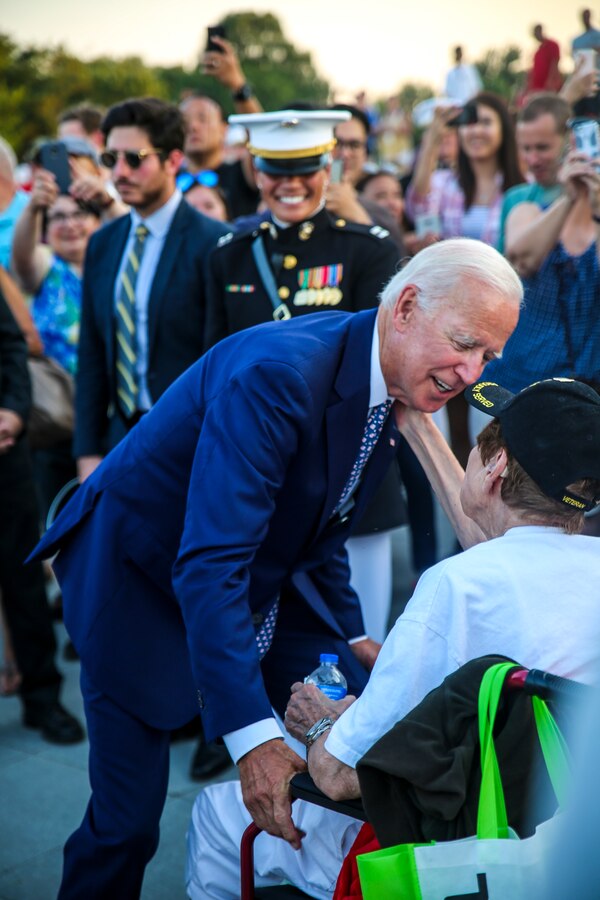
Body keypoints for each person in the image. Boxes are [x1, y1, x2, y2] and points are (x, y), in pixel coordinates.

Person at [31, 238, 522, 899]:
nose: (472, 371)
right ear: (406, 306)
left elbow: (320, 534)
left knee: (356, 706)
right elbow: (209, 564)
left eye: (489, 356)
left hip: (247, 575)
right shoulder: (282, 374)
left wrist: (353, 639)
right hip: (136, 580)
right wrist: (254, 738)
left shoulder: (388, 374)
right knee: (127, 820)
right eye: (465, 343)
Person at [190, 377, 600, 898]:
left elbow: (339, 776)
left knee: (213, 817)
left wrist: (319, 723)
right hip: (571, 846)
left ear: (494, 468)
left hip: (454, 851)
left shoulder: (458, 586)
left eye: (478, 445)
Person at [204, 109, 403, 648]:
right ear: (254, 170)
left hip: (348, 481)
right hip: (256, 473)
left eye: (305, 169)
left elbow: (383, 369)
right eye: (274, 169)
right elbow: (212, 368)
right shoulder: (229, 256)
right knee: (252, 636)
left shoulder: (370, 249)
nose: (289, 184)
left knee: (358, 643)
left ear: (328, 167)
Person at [73, 97, 228, 483]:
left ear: (173, 161)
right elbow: (93, 351)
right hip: (118, 442)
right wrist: (88, 451)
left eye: (135, 158)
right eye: (111, 159)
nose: (120, 172)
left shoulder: (215, 243)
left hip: (193, 443)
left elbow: (223, 357)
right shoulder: (104, 242)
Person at [406, 90, 523, 465]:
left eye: (486, 122)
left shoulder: (517, 188)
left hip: (501, 318)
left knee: (489, 426)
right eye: (470, 122)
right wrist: (434, 135)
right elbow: (417, 202)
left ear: (503, 129)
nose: (476, 131)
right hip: (452, 315)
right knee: (453, 423)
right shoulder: (448, 183)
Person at [0, 289, 84, 744]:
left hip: (3, 448)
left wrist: (13, 409)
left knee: (22, 577)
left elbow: (13, 343)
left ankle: (42, 697)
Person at [483, 94, 600, 396]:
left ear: (568, 142)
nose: (533, 159)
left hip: (587, 391)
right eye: (526, 149)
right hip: (520, 383)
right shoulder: (523, 201)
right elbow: (522, 261)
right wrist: (569, 197)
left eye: (543, 147)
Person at [11, 160, 102, 517]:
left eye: (80, 214)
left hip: (107, 414)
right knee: (59, 516)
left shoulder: (117, 264)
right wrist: (34, 207)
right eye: (59, 217)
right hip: (57, 416)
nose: (70, 224)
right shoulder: (46, 266)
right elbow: (22, 255)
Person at [526, 24, 563, 96]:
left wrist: (551, 82)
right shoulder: (538, 51)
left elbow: (554, 64)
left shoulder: (552, 45)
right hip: (537, 88)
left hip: (548, 87)